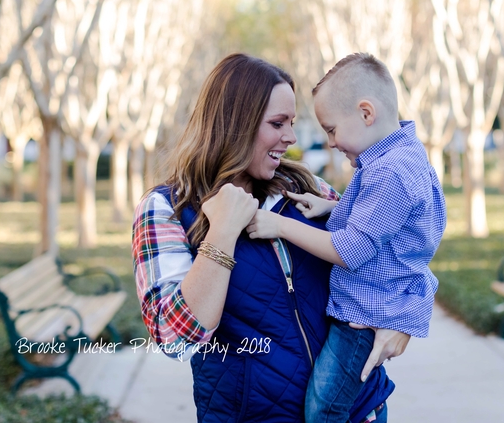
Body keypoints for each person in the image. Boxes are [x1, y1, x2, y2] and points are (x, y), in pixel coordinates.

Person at [132, 53, 410, 423]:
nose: (291, 137)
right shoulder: (167, 208)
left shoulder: (306, 188)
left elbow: (394, 248)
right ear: (235, 125)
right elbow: (175, 339)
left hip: (359, 411)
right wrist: (222, 233)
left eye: (292, 123)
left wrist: (404, 318)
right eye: (277, 123)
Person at [246, 52, 447, 422]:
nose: (332, 142)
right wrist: (330, 210)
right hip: (368, 310)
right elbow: (386, 226)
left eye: (332, 129)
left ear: (366, 113)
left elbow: (349, 250)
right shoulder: (398, 157)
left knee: (325, 408)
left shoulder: (391, 172)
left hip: (361, 319)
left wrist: (280, 226)